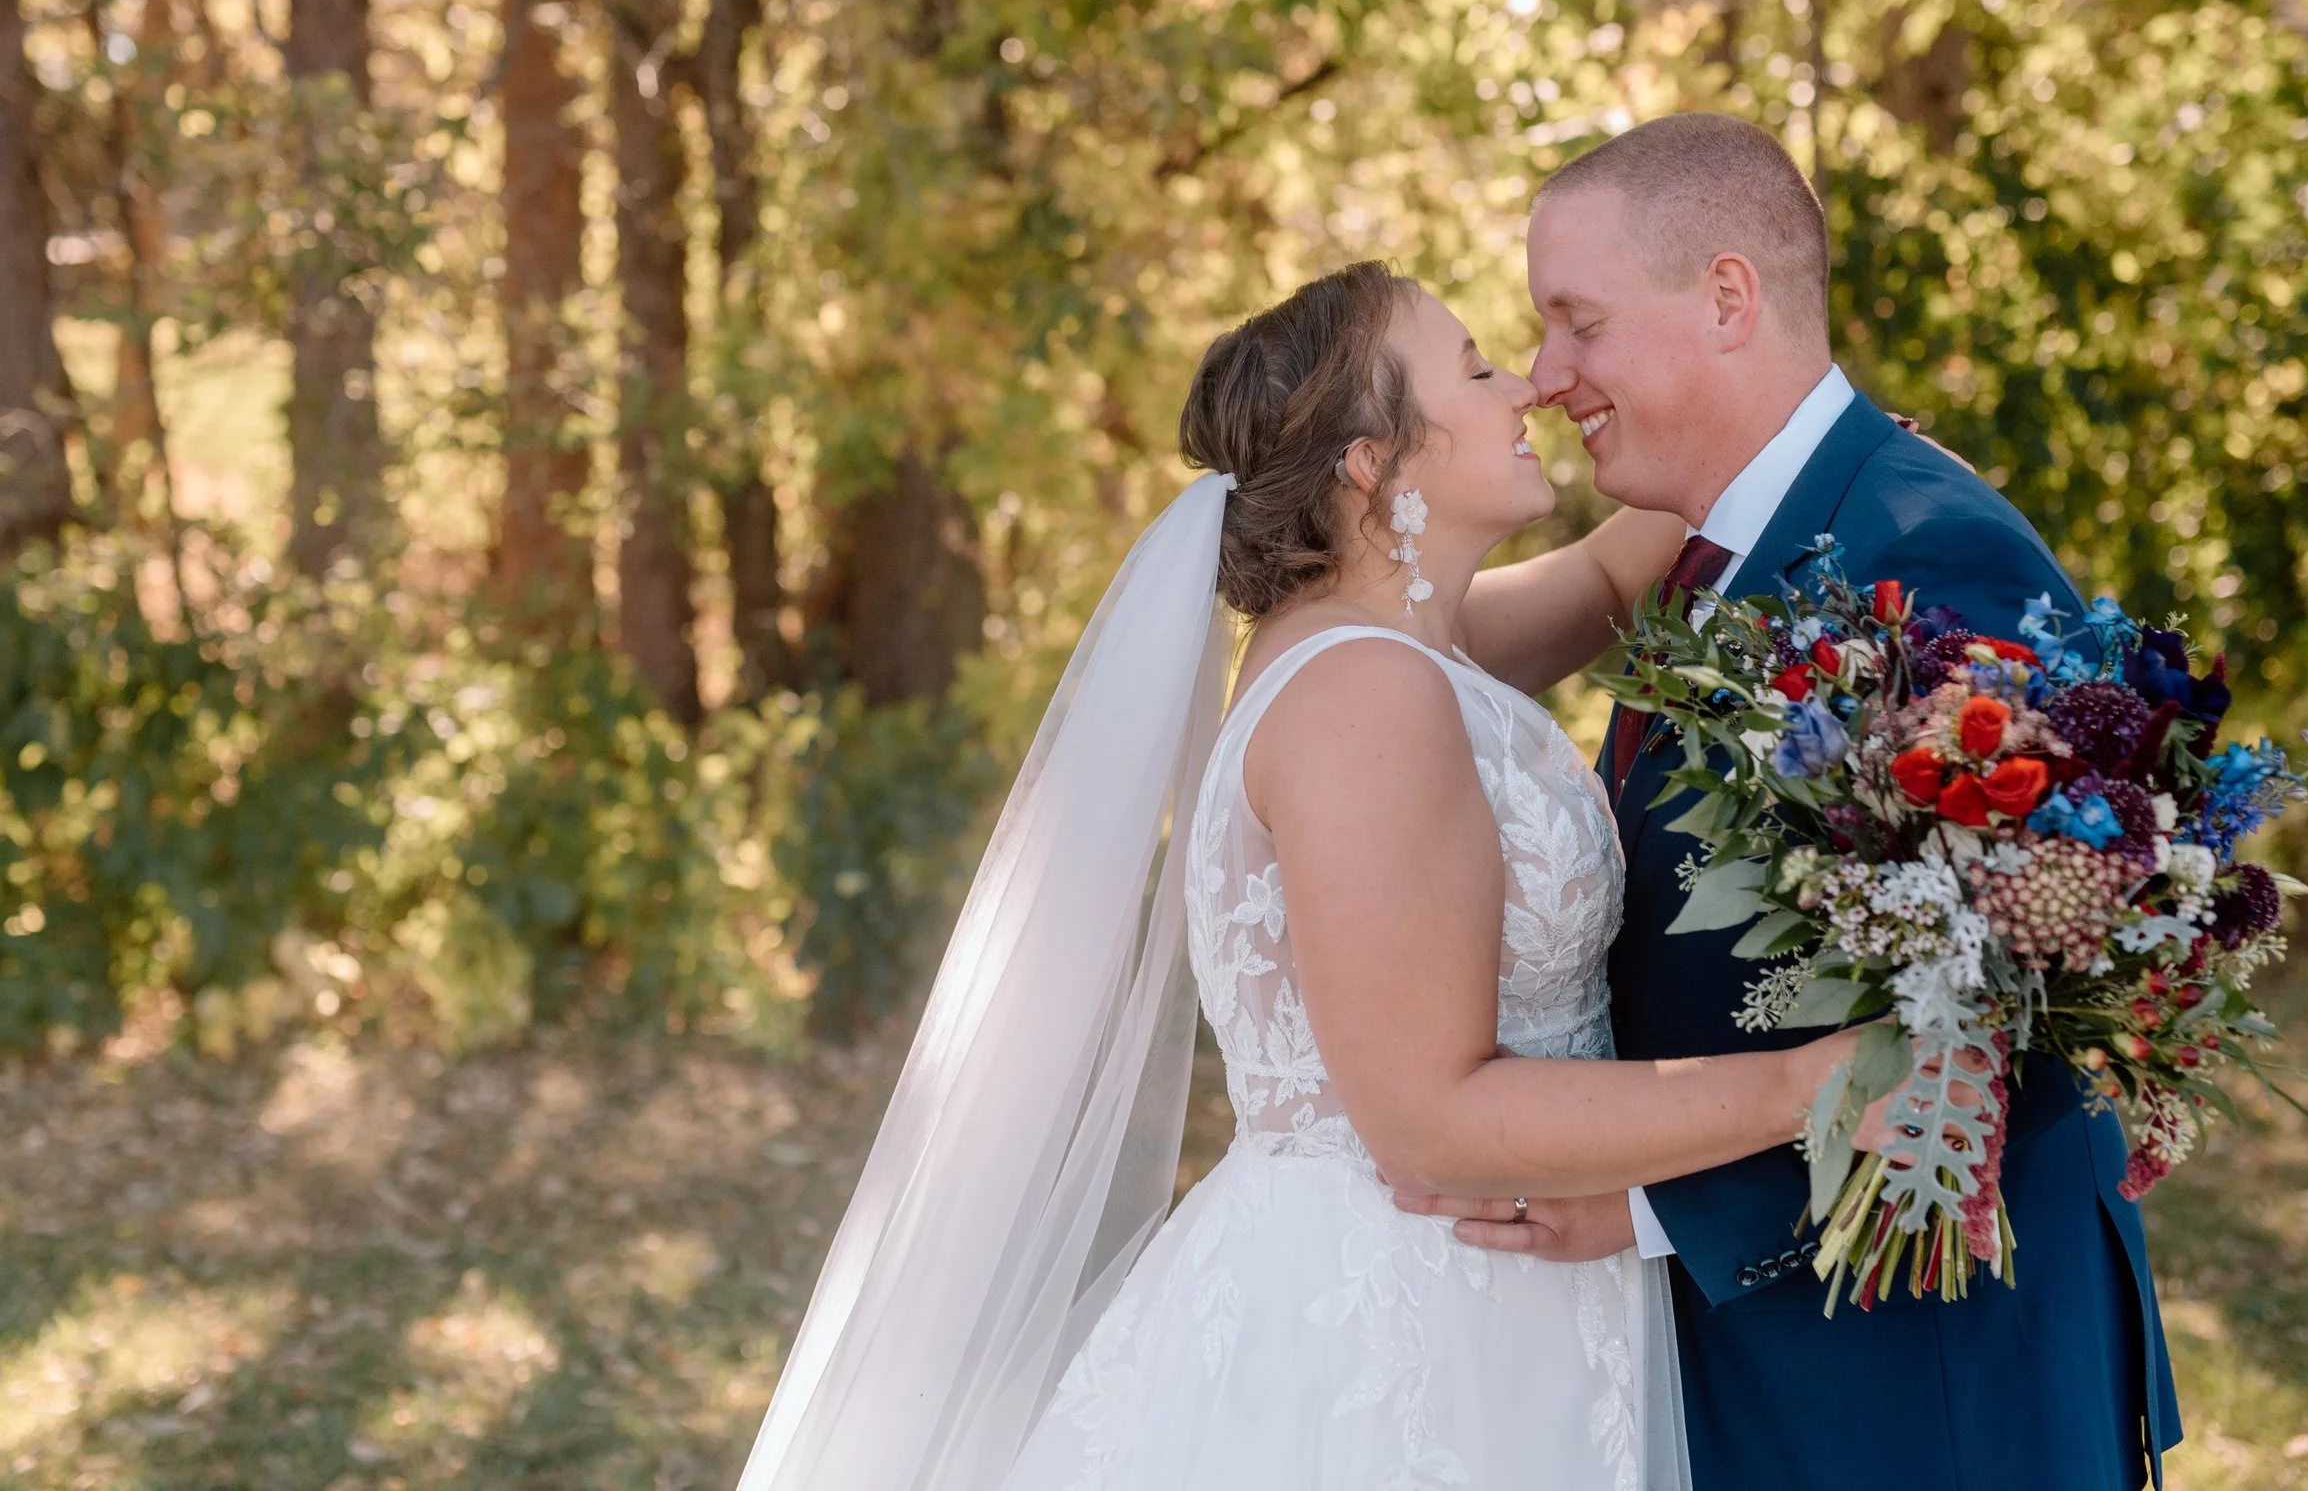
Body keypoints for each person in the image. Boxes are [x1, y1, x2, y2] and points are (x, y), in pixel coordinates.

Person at [732, 257, 1895, 1491]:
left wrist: (1810, 443)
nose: (1527, 390)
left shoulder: (1388, 650)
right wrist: (1812, 1082)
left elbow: (1614, 577)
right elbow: (1429, 1118)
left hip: (1494, 1286)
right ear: (1370, 461)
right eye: (1476, 367)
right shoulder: (1363, 696)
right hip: (1402, 1332)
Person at [1399, 112, 2182, 1490]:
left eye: (1577, 321)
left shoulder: (1933, 558)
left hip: (1928, 1383)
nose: (1545, 373)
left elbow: (2032, 1037)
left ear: (1725, 298)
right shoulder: (1721, 542)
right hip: (1792, 1363)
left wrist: (1655, 1201)